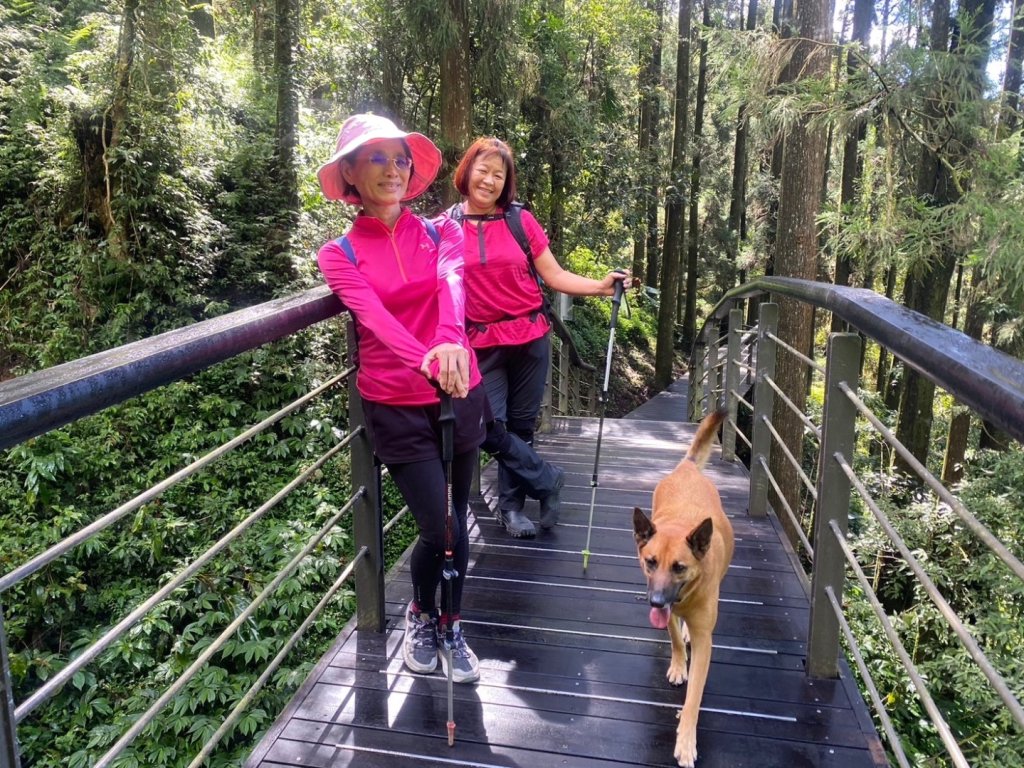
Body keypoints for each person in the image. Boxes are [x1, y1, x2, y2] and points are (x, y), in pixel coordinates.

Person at [316, 113, 484, 683]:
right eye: (377, 158)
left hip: (460, 391)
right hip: (394, 400)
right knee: (439, 528)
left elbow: (452, 288)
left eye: (401, 158)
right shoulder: (338, 253)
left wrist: (448, 343)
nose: (394, 169)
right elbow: (373, 316)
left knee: (456, 519)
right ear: (350, 174)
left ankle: (451, 622)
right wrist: (426, 359)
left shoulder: (443, 231)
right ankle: (420, 611)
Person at [451, 137, 632, 539]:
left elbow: (554, 275)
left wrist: (601, 287)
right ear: (467, 171)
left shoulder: (520, 221)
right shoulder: (444, 226)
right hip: (480, 344)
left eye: (499, 174)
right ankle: (547, 479)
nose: (489, 180)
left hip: (530, 336)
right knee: (487, 426)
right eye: (483, 170)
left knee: (520, 425)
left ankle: (512, 509)